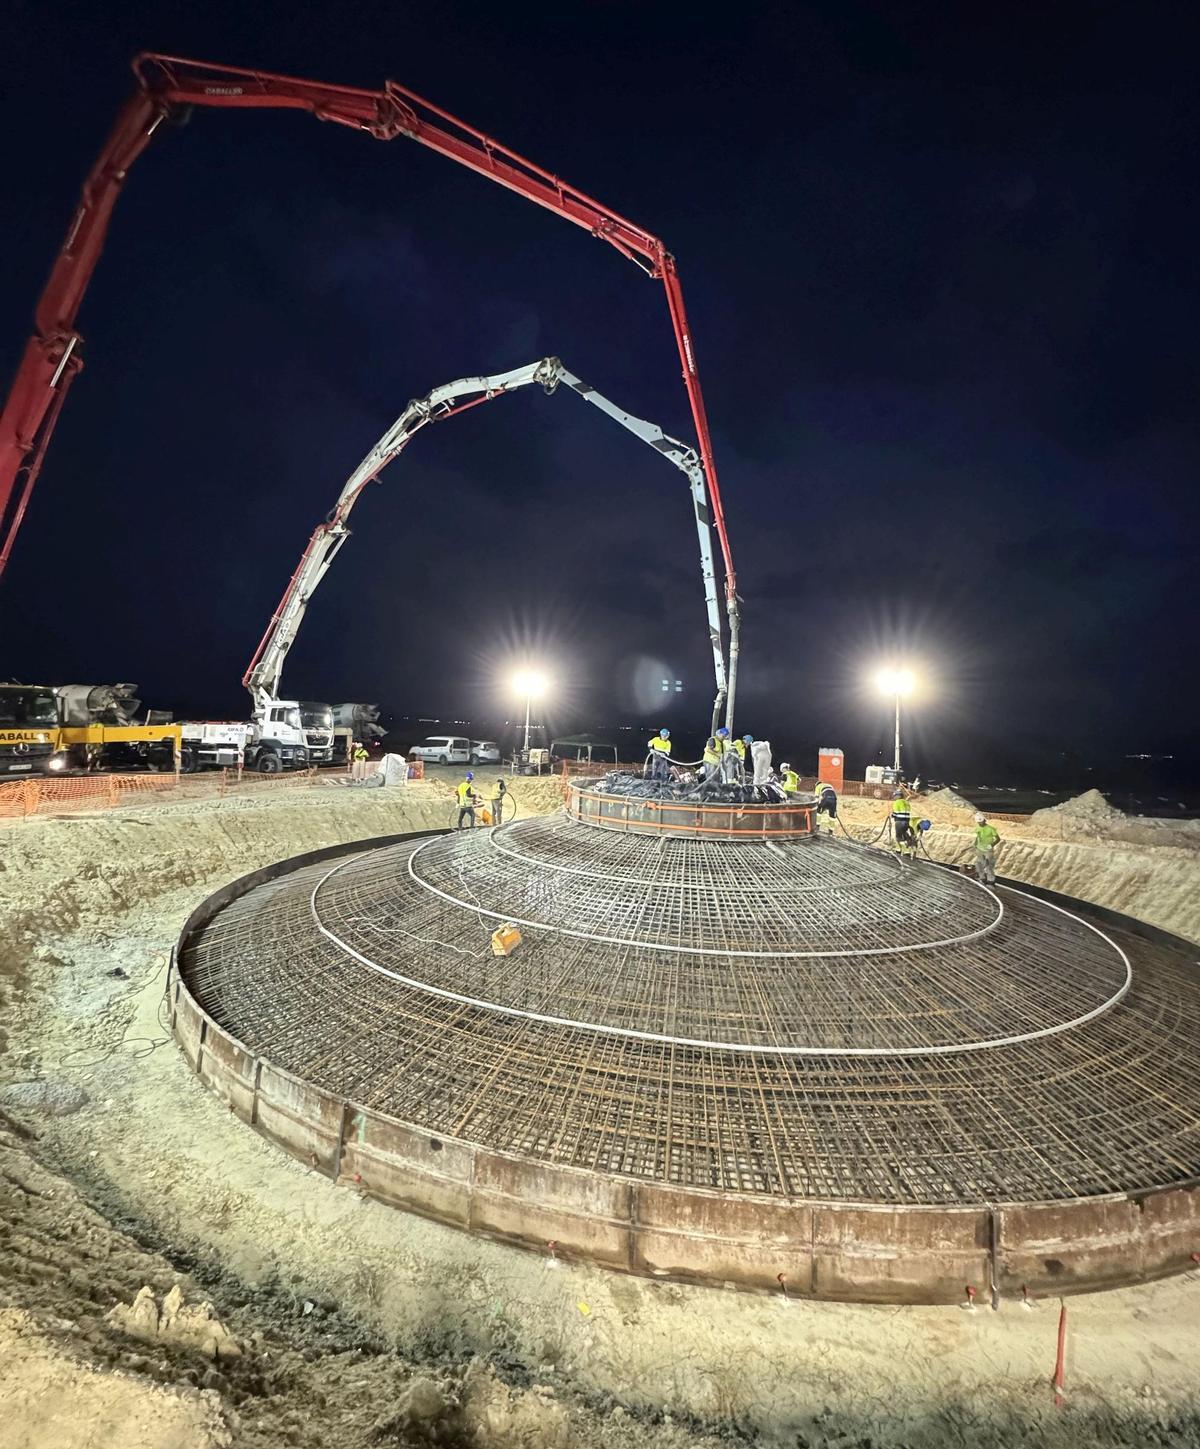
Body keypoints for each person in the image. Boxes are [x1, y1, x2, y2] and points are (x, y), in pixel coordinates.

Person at [973, 811, 1001, 885]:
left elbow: (998, 839)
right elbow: (978, 836)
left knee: (989, 865)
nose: (980, 823)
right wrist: (975, 843)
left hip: (988, 850)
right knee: (979, 864)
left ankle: (991, 881)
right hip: (979, 849)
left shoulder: (991, 829)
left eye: (981, 822)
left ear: (984, 820)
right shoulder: (978, 828)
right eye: (978, 822)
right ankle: (982, 878)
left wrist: (991, 845)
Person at [890, 789, 915, 860]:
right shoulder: (906, 802)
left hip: (899, 822)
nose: (894, 797)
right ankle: (900, 850)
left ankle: (904, 850)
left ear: (898, 796)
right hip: (906, 822)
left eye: (895, 796)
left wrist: (891, 815)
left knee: (899, 837)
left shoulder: (897, 802)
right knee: (904, 835)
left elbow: (895, 813)